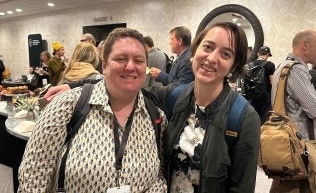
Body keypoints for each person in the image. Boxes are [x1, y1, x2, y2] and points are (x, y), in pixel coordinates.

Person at [43, 22, 261, 192]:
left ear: (234, 64)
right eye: (208, 47)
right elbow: (129, 83)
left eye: (226, 54)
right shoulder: (177, 97)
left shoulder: (243, 117)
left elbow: (241, 187)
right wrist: (76, 85)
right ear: (196, 50)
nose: (212, 58)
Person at [18, 28, 167, 192]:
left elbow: (158, 176)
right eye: (121, 58)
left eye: (138, 60)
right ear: (104, 65)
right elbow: (33, 180)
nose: (131, 66)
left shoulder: (155, 116)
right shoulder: (66, 107)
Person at [270, 29, 316, 192]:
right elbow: (314, 111)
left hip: (288, 143)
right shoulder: (296, 69)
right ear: (305, 45)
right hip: (300, 145)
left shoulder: (283, 66)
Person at [246, 46, 275, 123]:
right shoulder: (270, 65)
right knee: (263, 119)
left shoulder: (250, 65)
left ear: (258, 54)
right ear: (268, 54)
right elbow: (272, 82)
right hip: (265, 97)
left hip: (252, 96)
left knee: (252, 118)